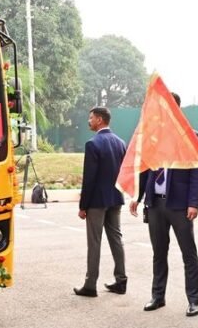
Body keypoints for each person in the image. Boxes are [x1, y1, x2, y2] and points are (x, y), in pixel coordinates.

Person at [129, 92, 198, 317]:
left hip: (179, 206)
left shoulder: (190, 136)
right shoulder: (153, 137)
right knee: (159, 253)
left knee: (188, 253)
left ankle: (193, 300)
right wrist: (138, 196)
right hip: (155, 205)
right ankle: (157, 296)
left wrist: (193, 203)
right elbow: (145, 170)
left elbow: (195, 172)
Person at [74, 107, 128, 297]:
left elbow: (89, 178)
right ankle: (121, 281)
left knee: (94, 242)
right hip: (116, 198)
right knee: (116, 239)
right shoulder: (121, 143)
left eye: (91, 118)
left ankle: (90, 285)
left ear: (99, 119)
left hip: (97, 201)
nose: (89, 121)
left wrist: (83, 206)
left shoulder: (93, 144)